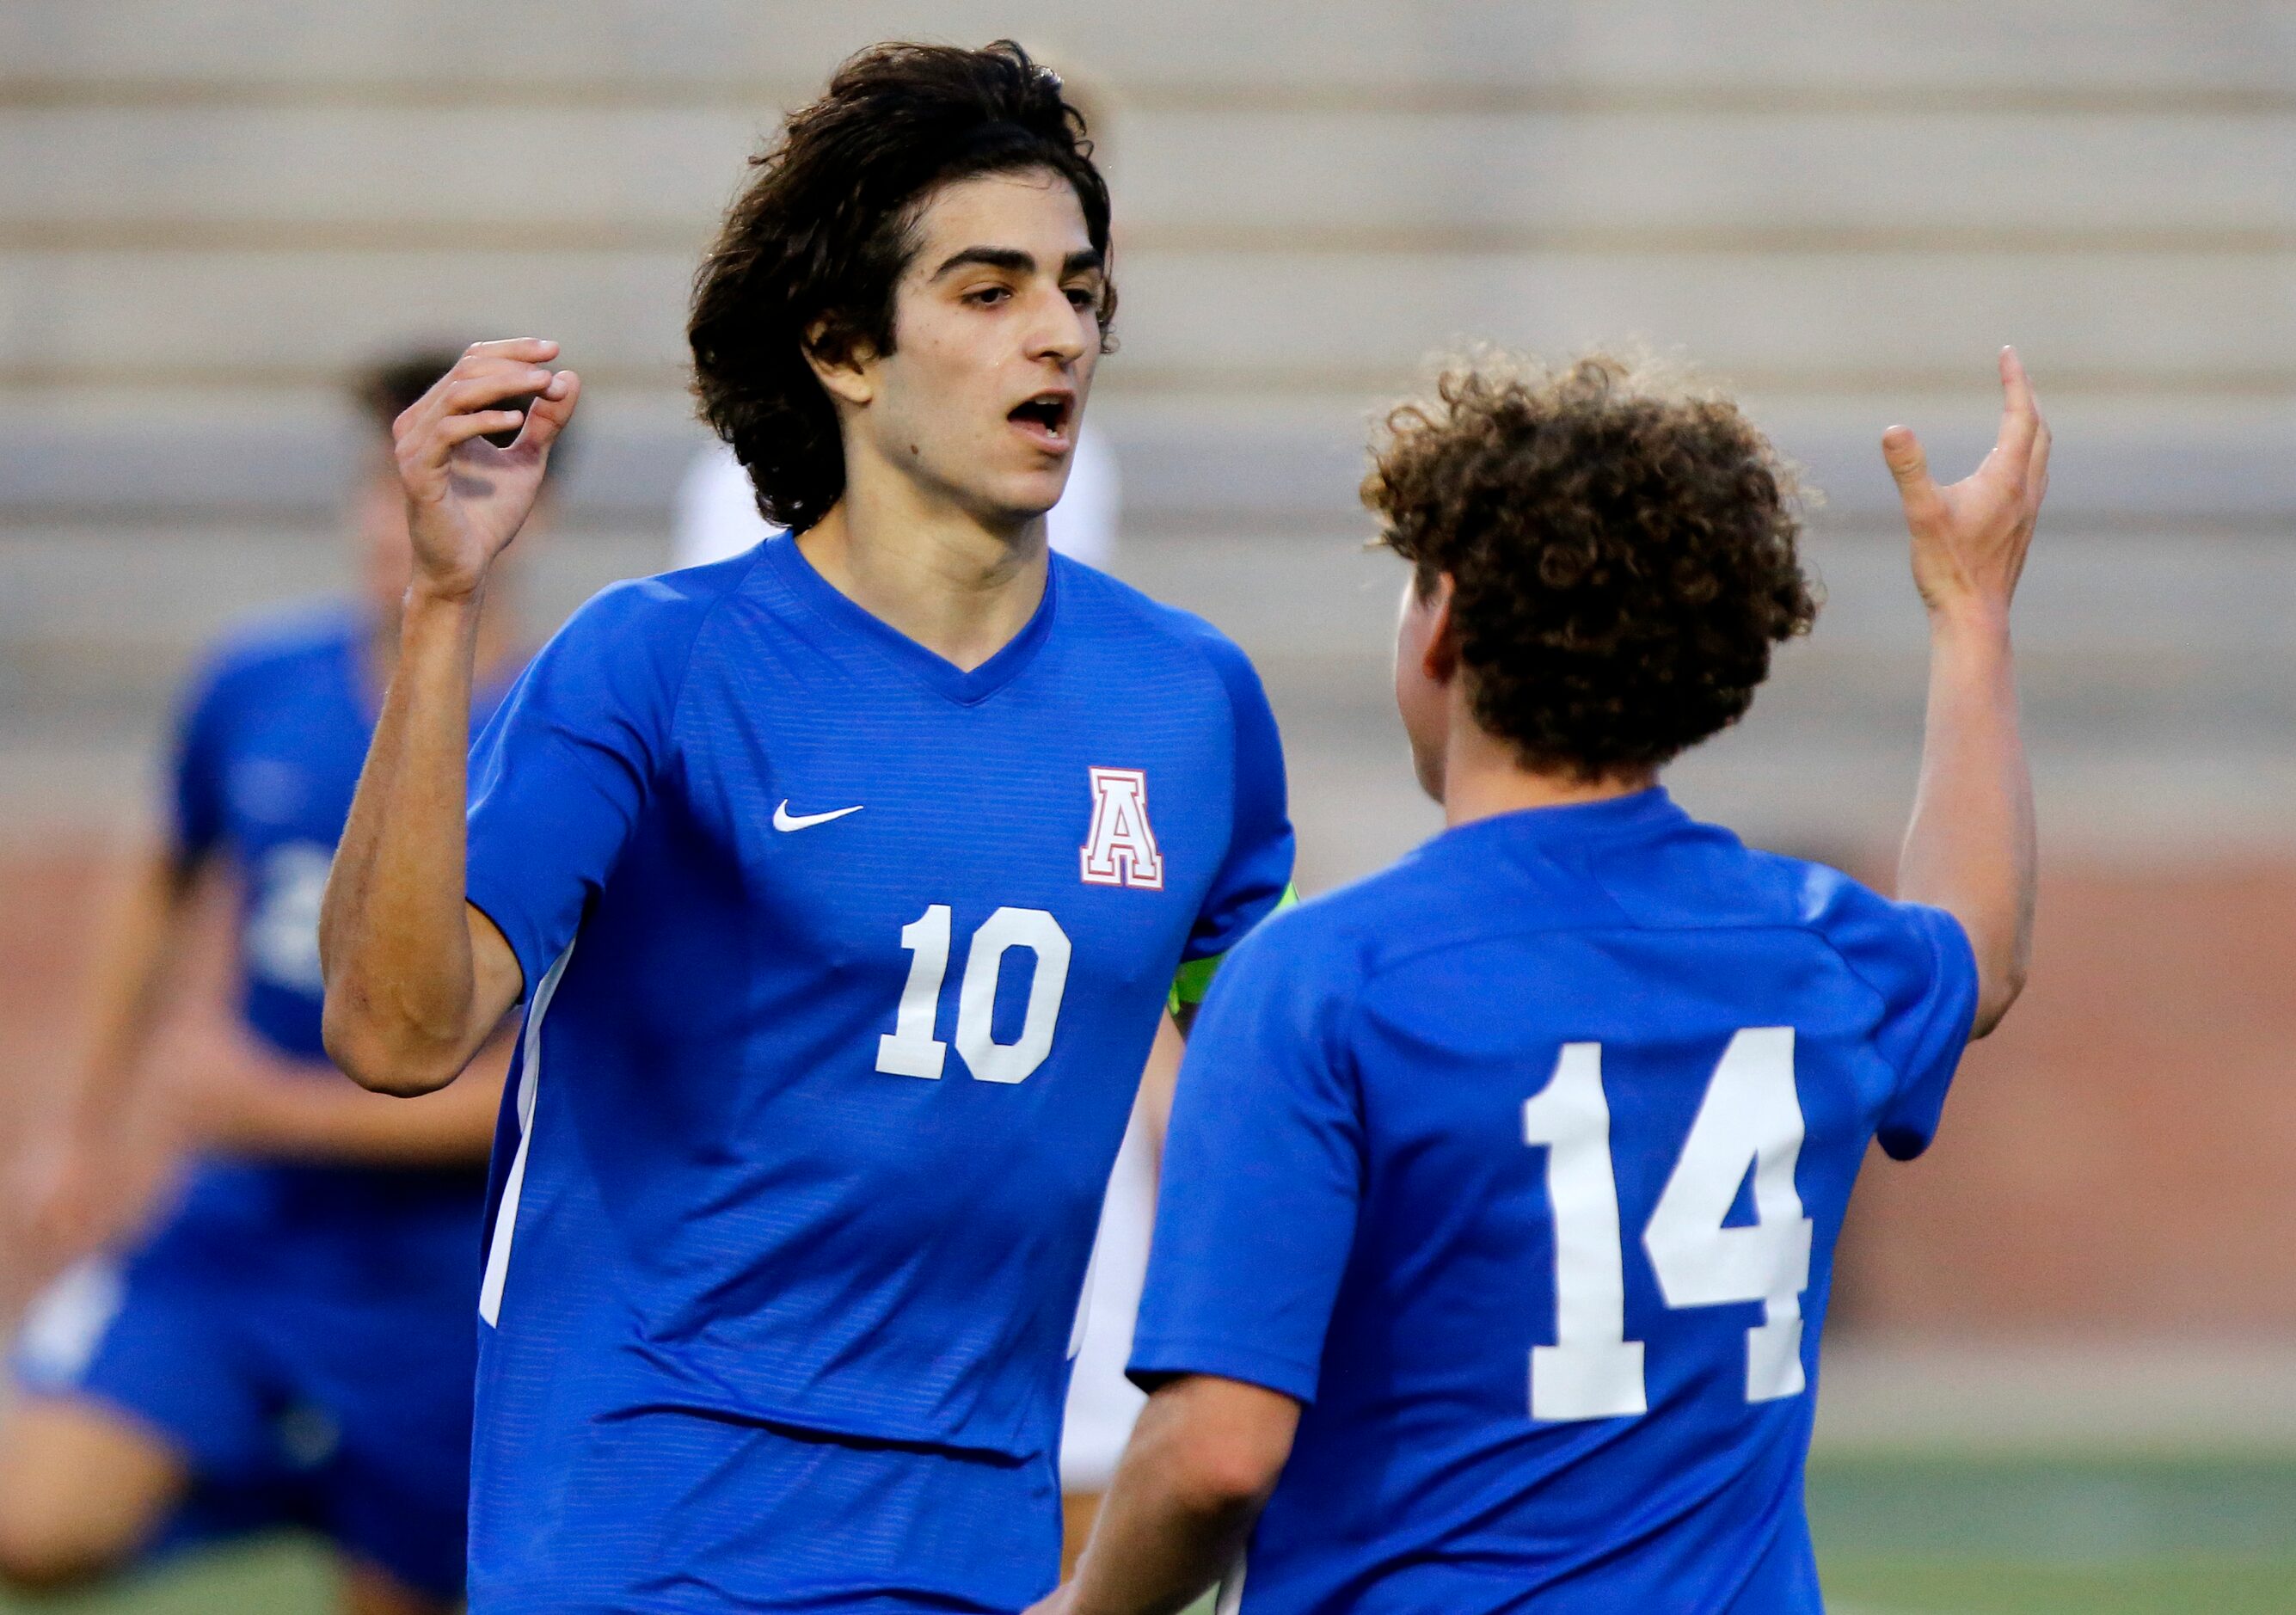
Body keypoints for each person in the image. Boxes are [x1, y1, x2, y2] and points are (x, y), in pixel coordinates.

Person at [316, 40, 1293, 1613]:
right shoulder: (655, 661)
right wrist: (444, 601)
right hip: (644, 1521)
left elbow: (1243, 1085)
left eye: (1078, 287)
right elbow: (394, 1024)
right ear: (844, 346)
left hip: (978, 1536)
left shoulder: (1190, 706)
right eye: (987, 291)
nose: (1056, 333)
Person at [1042, 347, 2047, 1614]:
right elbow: (1981, 945)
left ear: (1443, 621)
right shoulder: (1817, 947)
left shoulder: (1319, 984)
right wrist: (1970, 614)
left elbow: (1217, 1453)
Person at [0, 351, 538, 1613]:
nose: (390, 519)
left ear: (531, 507)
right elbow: (158, 869)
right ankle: (281, 1453)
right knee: (37, 1515)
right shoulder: (259, 683)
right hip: (243, 1227)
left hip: (444, 1270)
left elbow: (558, 1074)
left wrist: (275, 1103)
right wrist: (76, 1128)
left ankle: (347, 1475)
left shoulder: (560, 726)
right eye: (378, 482)